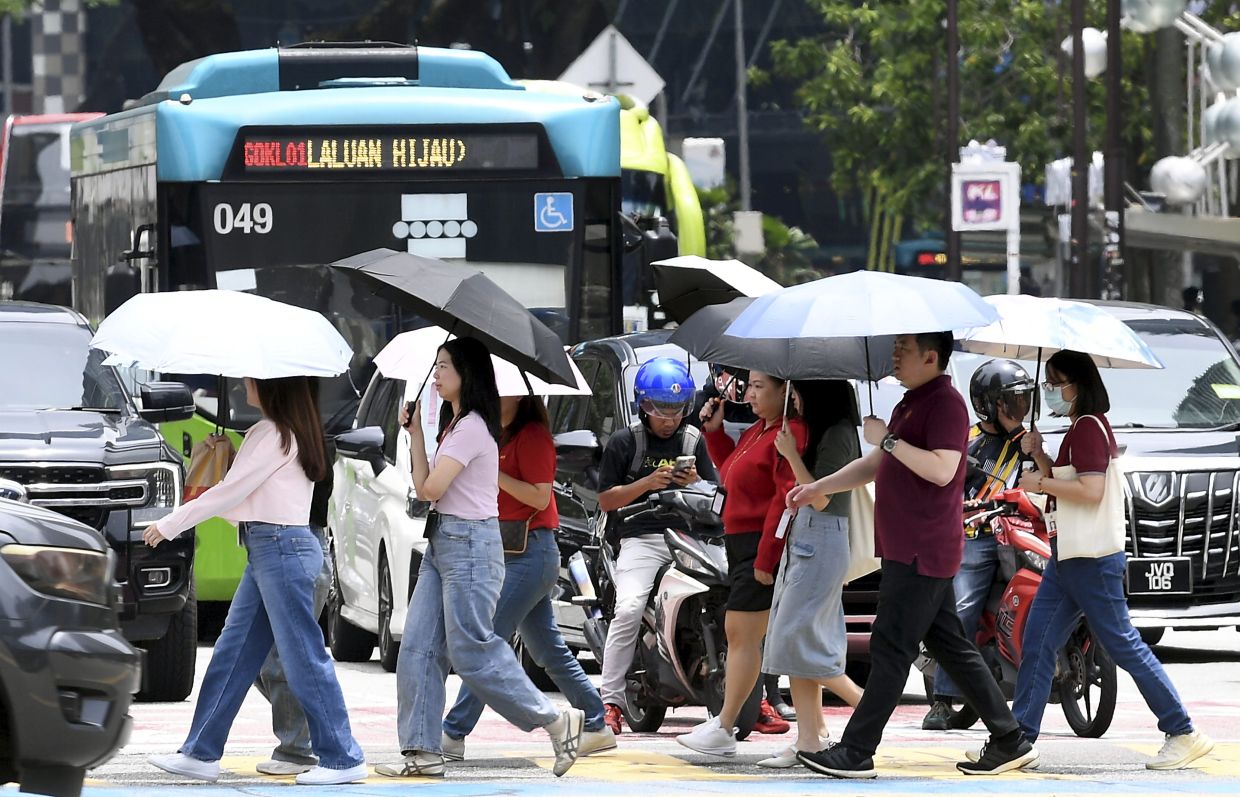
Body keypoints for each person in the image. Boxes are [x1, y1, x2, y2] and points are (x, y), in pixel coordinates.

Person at [788, 333, 1037, 779]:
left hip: (922, 548)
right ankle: (1009, 739)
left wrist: (887, 440)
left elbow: (942, 469)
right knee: (951, 648)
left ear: (931, 356)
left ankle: (857, 750)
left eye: (904, 347)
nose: (895, 355)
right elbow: (876, 465)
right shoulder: (911, 402)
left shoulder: (945, 404)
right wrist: (817, 487)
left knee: (890, 647)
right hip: (908, 546)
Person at [145, 377, 367, 786]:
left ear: (271, 386)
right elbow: (248, 499)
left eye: (252, 377)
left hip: (280, 550)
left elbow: (230, 495)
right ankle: (201, 751)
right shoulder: (287, 431)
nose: (245, 381)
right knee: (233, 653)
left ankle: (342, 756)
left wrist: (171, 523)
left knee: (302, 657)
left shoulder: (273, 433)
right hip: (272, 548)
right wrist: (230, 459)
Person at [379, 338, 583, 778]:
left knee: (470, 649)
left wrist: (422, 451)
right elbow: (427, 486)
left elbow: (430, 488)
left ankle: (554, 719)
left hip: (471, 545)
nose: (436, 375)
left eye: (444, 366)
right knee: (417, 647)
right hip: (444, 541)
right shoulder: (455, 425)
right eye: (436, 366)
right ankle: (422, 751)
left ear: (467, 374)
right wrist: (415, 435)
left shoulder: (472, 426)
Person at [1006, 350, 1214, 770]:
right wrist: (1041, 454)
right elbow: (1069, 480)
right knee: (1039, 642)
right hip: (1069, 557)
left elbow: (1091, 491)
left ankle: (1182, 731)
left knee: (1122, 644)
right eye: (1047, 383)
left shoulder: (1087, 427)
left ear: (1078, 386)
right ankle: (1019, 740)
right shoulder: (1079, 428)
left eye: (1055, 383)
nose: (1050, 391)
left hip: (1091, 559)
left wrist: (1039, 480)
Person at [441, 394, 616, 758]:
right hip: (505, 552)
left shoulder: (533, 435)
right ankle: (597, 723)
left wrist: (494, 473)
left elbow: (539, 496)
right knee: (547, 649)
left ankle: (453, 733)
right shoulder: (491, 433)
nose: (492, 392)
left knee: (485, 642)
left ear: (519, 394)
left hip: (532, 553)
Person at [676, 370, 806, 756]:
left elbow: (784, 498)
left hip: (757, 544)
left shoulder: (788, 433)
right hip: (739, 542)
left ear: (786, 392)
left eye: (758, 387)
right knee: (739, 634)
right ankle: (725, 723)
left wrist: (767, 555)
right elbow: (732, 472)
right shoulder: (759, 430)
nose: (748, 394)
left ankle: (726, 724)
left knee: (742, 634)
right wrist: (714, 432)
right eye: (749, 386)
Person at [596, 357, 718, 735]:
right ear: (643, 405)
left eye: (677, 409)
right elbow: (606, 500)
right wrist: (647, 483)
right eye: (661, 408)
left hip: (689, 537)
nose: (669, 418)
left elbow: (714, 494)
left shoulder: (693, 440)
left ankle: (749, 697)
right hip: (641, 538)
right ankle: (610, 701)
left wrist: (695, 482)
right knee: (629, 608)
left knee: (725, 603)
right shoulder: (624, 441)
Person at [757, 380, 865, 768]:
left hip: (821, 537)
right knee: (797, 642)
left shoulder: (838, 434)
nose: (796, 401)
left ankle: (869, 708)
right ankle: (810, 738)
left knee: (797, 638)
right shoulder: (826, 431)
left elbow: (820, 498)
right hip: (809, 537)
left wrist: (790, 455)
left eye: (799, 394)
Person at [923, 359, 1034, 731]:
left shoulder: (1027, 442)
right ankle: (942, 700)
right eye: (1011, 401)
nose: (1019, 408)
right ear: (989, 403)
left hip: (1020, 532)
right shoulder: (964, 439)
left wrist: (1030, 445)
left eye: (1024, 400)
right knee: (963, 610)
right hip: (976, 536)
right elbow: (942, 484)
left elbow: (1044, 477)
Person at [253, 436, 336, 775]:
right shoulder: (282, 439)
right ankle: (310, 731)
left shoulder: (309, 443)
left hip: (299, 547)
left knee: (281, 658)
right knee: (258, 655)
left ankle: (297, 749)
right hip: (279, 550)